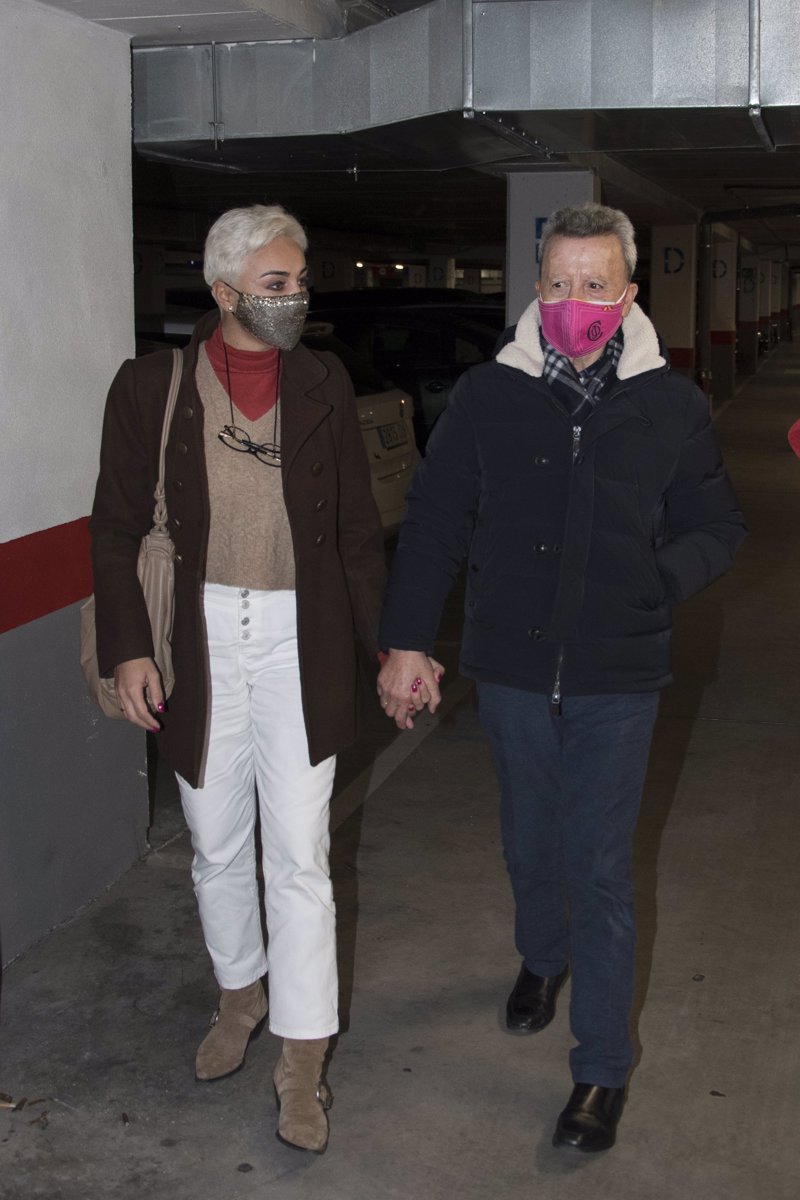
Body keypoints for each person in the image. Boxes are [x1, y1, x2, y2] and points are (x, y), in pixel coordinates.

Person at [376, 202, 746, 1152]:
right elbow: (435, 518)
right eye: (557, 282)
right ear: (535, 287)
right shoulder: (487, 395)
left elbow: (718, 525)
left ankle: (599, 1071)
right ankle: (542, 958)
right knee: (529, 838)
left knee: (601, 866)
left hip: (618, 671)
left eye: (593, 284)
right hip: (509, 662)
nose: (573, 300)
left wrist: (658, 582)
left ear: (627, 294)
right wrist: (407, 640)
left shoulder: (669, 404)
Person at [90, 204, 388, 1154]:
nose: (295, 297)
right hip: (200, 635)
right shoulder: (152, 386)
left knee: (298, 854)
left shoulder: (324, 381)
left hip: (303, 637)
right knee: (217, 845)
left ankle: (303, 1056)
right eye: (275, 284)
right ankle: (240, 993)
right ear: (223, 292)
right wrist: (129, 646)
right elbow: (114, 526)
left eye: (301, 282)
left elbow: (354, 531)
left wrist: (385, 646)